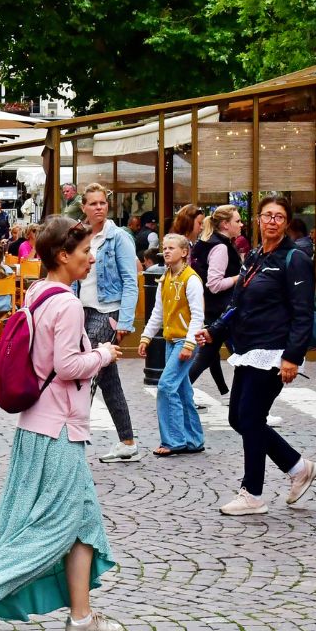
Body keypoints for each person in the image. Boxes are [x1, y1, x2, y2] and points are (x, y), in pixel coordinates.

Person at [0, 216, 125, 631]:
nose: (92, 258)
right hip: (58, 428)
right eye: (85, 252)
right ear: (64, 256)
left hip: (39, 424)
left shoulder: (38, 292)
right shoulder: (66, 304)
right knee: (55, 526)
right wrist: (102, 353)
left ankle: (81, 618)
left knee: (85, 523)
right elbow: (66, 367)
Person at [192, 197, 316, 516]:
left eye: (279, 216)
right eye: (267, 216)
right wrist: (216, 330)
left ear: (287, 222)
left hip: (275, 351)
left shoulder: (296, 258)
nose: (273, 221)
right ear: (259, 220)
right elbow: (237, 303)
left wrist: (292, 357)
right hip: (249, 348)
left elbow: (303, 312)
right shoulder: (253, 256)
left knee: (250, 417)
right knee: (238, 417)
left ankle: (252, 493)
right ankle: (297, 466)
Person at [73, 183, 142, 463]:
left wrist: (125, 320)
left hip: (108, 312)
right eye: (93, 203)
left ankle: (72, 439)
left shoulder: (119, 238)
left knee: (86, 373)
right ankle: (127, 442)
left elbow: (130, 281)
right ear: (84, 207)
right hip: (83, 310)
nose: (99, 207)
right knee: (108, 381)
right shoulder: (79, 234)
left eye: (102, 203)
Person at [139, 234, 205, 456]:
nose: (166, 251)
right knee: (182, 390)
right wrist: (146, 337)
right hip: (171, 341)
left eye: (171, 248)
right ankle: (194, 440)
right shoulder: (165, 277)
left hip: (183, 342)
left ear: (184, 252)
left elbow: (198, 316)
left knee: (166, 387)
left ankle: (173, 441)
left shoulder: (191, 279)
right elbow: (158, 312)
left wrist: (189, 344)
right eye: (164, 248)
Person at [188, 205, 243, 398]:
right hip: (223, 310)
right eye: (237, 221)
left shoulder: (207, 243)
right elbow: (215, 284)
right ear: (225, 225)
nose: (241, 224)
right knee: (242, 357)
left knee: (210, 355)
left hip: (213, 309)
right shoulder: (220, 247)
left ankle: (176, 391)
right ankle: (175, 391)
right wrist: (240, 277)